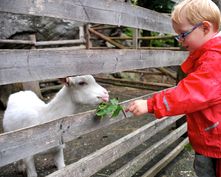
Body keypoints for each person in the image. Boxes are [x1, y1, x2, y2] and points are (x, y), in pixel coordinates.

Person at [126, 0, 221, 176]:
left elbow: (192, 92)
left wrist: (151, 104)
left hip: (216, 144)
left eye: (183, 34)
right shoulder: (206, 56)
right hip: (210, 138)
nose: (180, 40)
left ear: (205, 28)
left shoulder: (215, 60)